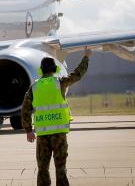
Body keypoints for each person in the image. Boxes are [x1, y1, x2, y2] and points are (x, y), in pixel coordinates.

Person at [21, 47, 91, 186]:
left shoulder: (34, 87)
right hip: (59, 134)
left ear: (40, 70)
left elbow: (25, 110)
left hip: (42, 135)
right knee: (60, 169)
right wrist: (86, 57)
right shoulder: (60, 82)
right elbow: (77, 74)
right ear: (55, 69)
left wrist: (28, 130)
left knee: (42, 169)